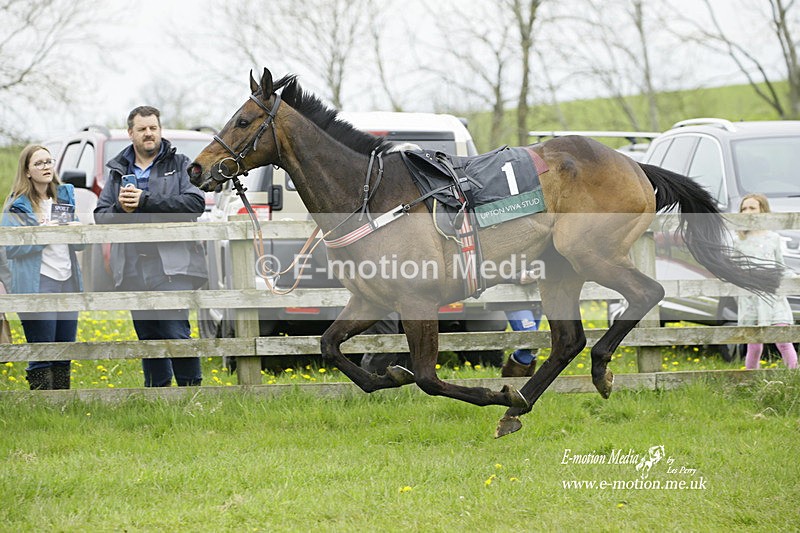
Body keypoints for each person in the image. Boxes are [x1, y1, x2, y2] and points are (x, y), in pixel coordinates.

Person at [94, 106, 208, 387]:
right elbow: (100, 215)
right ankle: (156, 395)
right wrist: (121, 209)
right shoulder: (118, 171)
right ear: (130, 133)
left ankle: (191, 394)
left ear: (160, 130)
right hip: (132, 266)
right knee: (147, 336)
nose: (149, 134)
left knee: (175, 331)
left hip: (173, 265)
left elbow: (195, 204)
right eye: (142, 129)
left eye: (153, 128)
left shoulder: (180, 163)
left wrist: (145, 201)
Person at [2, 145, 84, 389]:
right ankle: (41, 403)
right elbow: (11, 248)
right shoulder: (18, 205)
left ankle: (62, 403)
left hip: (67, 279)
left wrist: (75, 231)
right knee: (42, 351)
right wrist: (43, 235)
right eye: (39, 163)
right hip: (38, 282)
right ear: (27, 171)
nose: (46, 166)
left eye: (49, 161)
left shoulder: (63, 197)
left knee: (63, 349)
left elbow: (83, 245)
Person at [735, 193, 797, 370]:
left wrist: (793, 280)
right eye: (744, 208)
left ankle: (793, 378)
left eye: (752, 208)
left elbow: (781, 266)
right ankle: (750, 379)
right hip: (751, 299)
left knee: (783, 340)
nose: (747, 212)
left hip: (773, 298)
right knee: (754, 345)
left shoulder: (773, 238)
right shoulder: (739, 241)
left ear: (763, 210)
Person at [501, 305, 542, 377]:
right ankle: (510, 385)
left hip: (537, 300)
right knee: (530, 343)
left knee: (534, 345)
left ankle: (525, 387)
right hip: (516, 300)